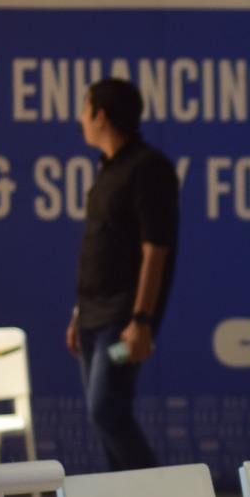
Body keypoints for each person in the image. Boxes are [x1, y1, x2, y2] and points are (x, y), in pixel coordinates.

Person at [66, 78, 179, 473]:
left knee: (106, 408)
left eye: (84, 110)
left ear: (100, 116)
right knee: (105, 417)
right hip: (92, 321)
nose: (80, 119)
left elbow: (155, 250)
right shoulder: (107, 170)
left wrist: (141, 320)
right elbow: (100, 251)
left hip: (122, 324)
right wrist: (78, 314)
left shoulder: (149, 168)